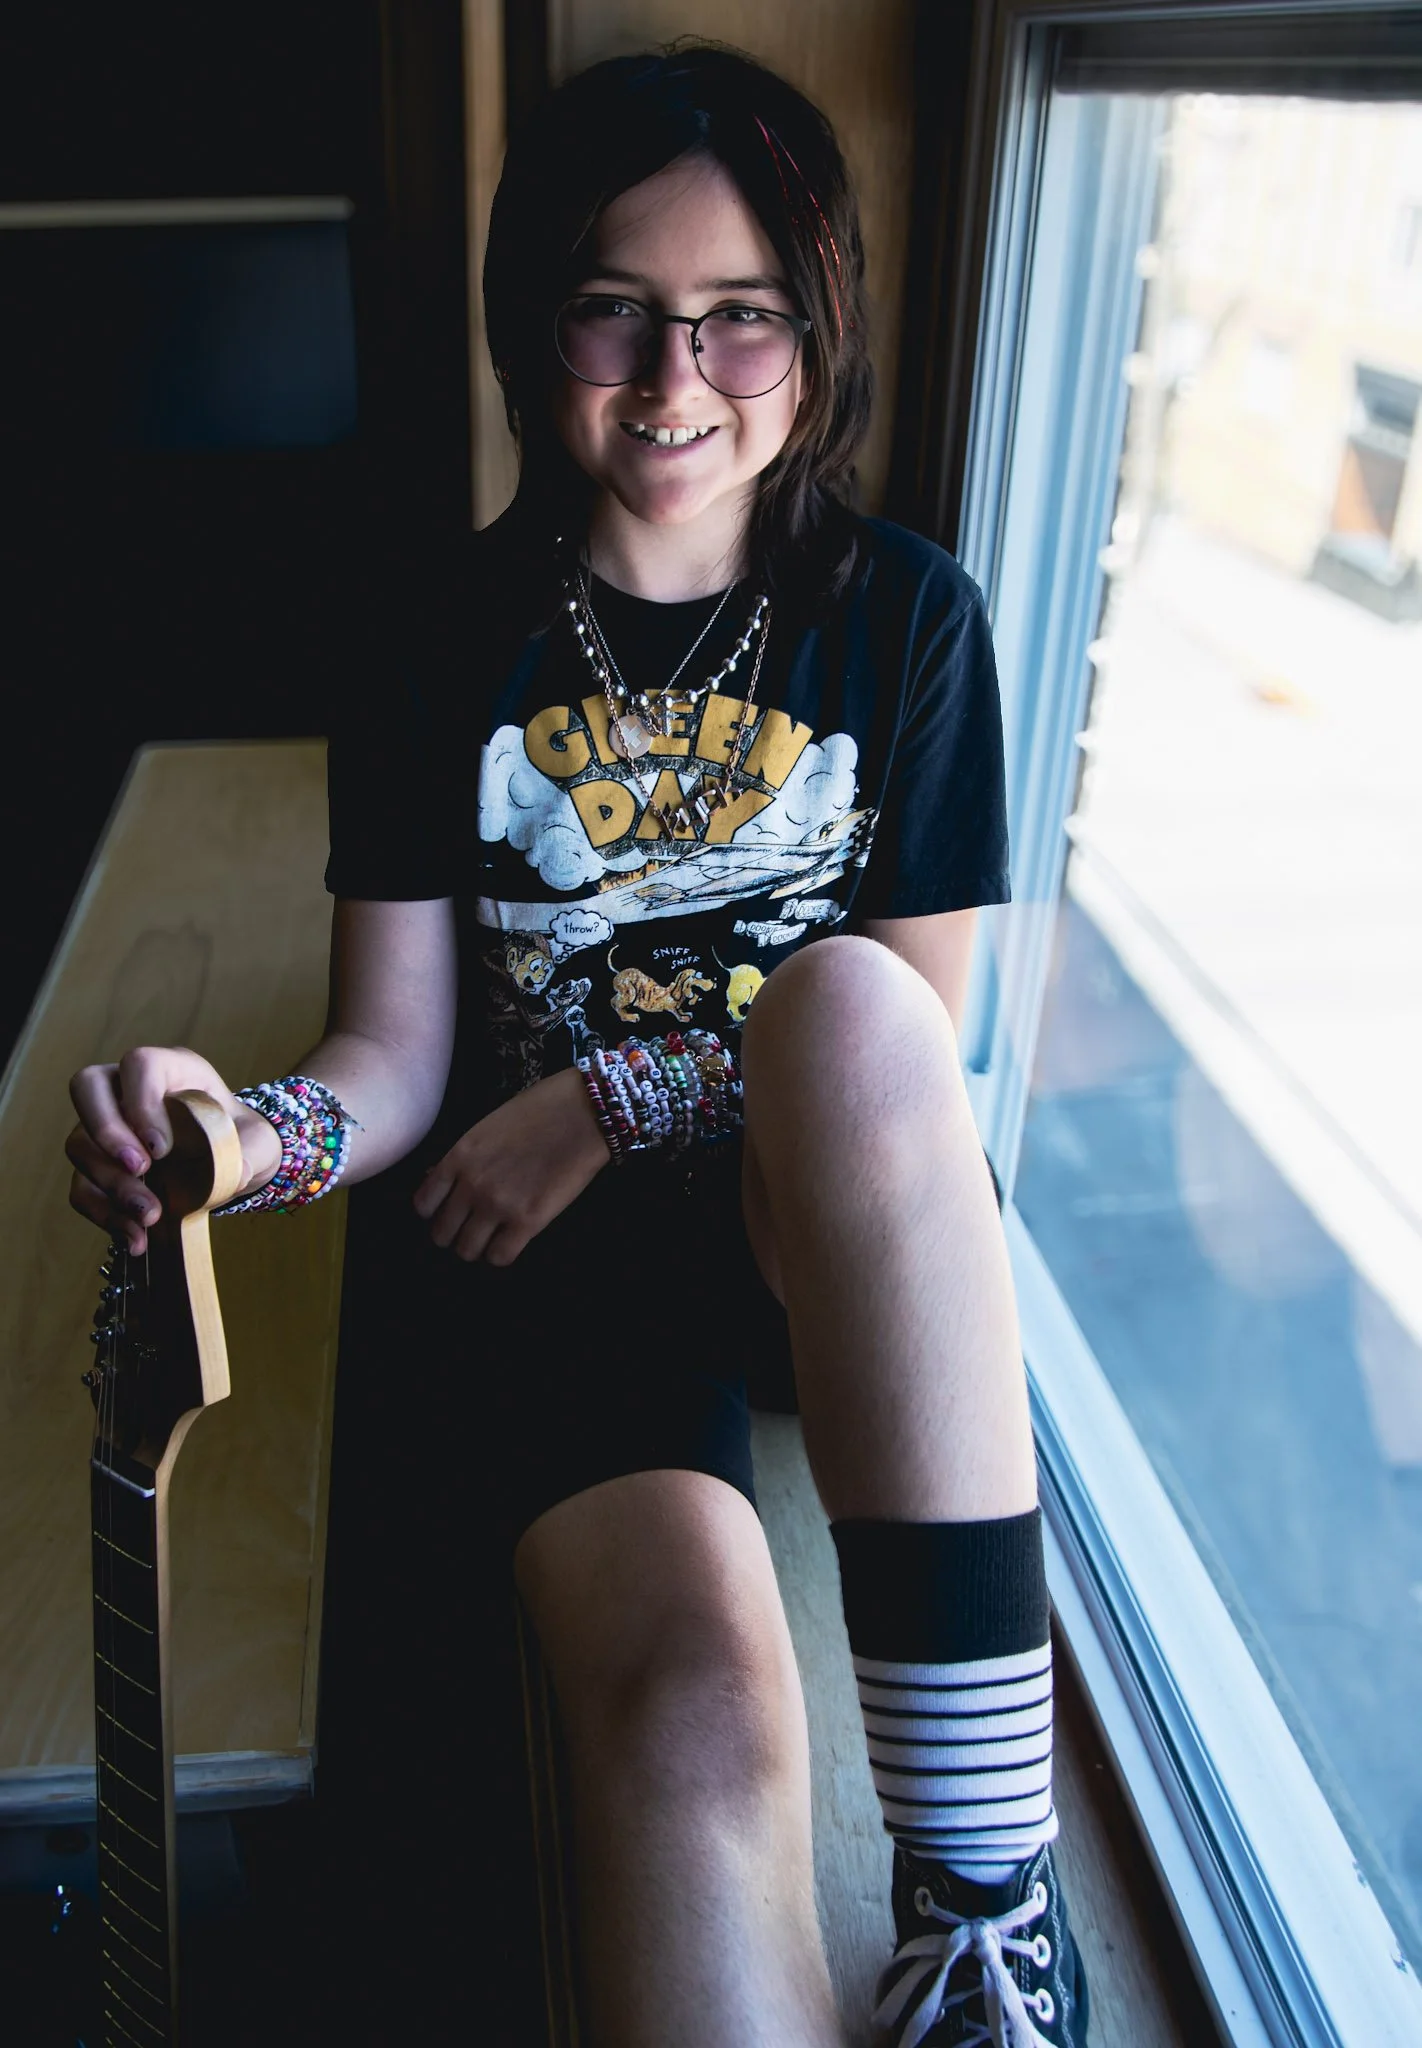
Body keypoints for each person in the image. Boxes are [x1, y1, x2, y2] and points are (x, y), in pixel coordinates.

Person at [65, 44, 1089, 2048]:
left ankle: (984, 1924)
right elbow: (391, 1055)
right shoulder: (434, 634)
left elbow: (924, 1056)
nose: (677, 372)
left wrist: (613, 1097)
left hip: (835, 1243)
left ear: (821, 327)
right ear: (539, 324)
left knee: (860, 1011)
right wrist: (236, 1137)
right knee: (699, 1725)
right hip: (571, 1296)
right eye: (617, 304)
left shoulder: (914, 625)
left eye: (744, 314)